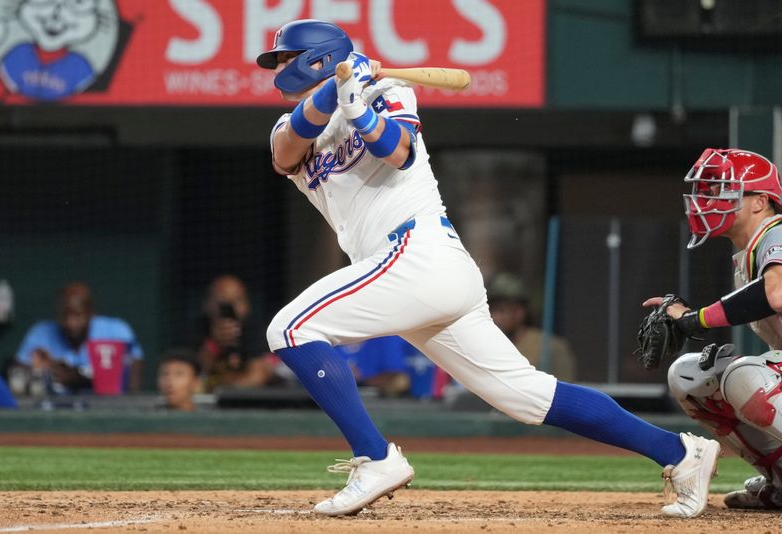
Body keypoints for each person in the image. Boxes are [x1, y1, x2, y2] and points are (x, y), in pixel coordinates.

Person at [257, 18, 718, 518]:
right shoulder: (289, 125)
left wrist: (360, 108)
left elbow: (398, 154)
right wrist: (337, 93)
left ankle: (375, 458)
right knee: (524, 396)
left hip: (417, 252)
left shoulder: (388, 91)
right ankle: (682, 452)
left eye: (282, 59)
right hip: (408, 272)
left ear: (316, 58)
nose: (275, 69)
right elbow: (288, 146)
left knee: (291, 328)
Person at [642, 148, 782, 510]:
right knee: (692, 376)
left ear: (760, 202)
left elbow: (776, 293)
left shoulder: (777, 232)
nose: (708, 200)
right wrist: (689, 316)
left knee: (743, 374)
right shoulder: (750, 251)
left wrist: (696, 318)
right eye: (707, 190)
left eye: (723, 190)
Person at [13, 282, 143, 395]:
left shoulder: (116, 332)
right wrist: (45, 369)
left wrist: (82, 380)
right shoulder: (41, 333)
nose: (70, 323)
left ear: (91, 313)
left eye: (77, 315)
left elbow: (132, 387)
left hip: (103, 412)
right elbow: (17, 375)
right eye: (64, 315)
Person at [191, 275, 278, 391]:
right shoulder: (197, 329)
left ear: (247, 305)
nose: (230, 306)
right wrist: (215, 343)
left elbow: (257, 377)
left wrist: (220, 386)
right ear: (207, 304)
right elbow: (192, 376)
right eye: (223, 300)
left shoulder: (255, 330)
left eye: (237, 300)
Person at [488, 272, 576, 381]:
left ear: (520, 312)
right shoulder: (487, 345)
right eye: (492, 310)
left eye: (502, 310)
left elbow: (564, 391)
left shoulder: (550, 347)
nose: (496, 317)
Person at [334, 336, 412, 397]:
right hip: (334, 391)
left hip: (374, 394)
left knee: (400, 382)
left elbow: (396, 375)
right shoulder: (330, 337)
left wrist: (362, 379)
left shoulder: (385, 338)